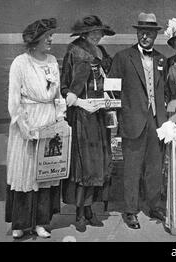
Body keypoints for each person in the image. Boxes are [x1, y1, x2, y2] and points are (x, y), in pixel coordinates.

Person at [109, 12, 168, 229]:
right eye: (142, 32)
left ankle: (153, 206)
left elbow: (165, 92)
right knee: (132, 169)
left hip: (156, 121)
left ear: (155, 35)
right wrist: (115, 122)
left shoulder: (161, 59)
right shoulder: (123, 57)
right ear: (137, 33)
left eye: (150, 33)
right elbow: (111, 92)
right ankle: (131, 210)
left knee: (154, 166)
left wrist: (166, 120)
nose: (145, 36)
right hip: (132, 121)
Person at [5, 18, 63, 239]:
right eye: (47, 36)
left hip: (48, 122)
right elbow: (14, 99)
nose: (51, 39)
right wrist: (23, 125)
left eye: (51, 36)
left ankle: (41, 222)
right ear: (36, 39)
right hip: (27, 123)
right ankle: (20, 223)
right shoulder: (20, 63)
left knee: (45, 173)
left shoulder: (52, 61)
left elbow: (57, 96)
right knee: (26, 173)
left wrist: (60, 118)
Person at [60, 15, 115, 232]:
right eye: (93, 32)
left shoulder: (102, 53)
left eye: (99, 32)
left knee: (98, 162)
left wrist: (109, 98)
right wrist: (81, 103)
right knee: (83, 165)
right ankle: (79, 213)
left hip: (100, 115)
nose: (97, 35)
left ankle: (91, 209)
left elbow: (109, 81)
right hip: (82, 117)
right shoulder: (74, 51)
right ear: (84, 33)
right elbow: (65, 87)